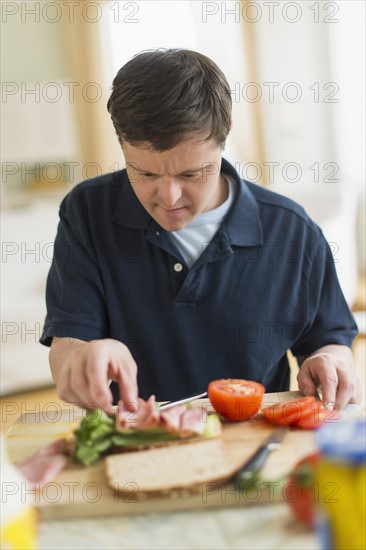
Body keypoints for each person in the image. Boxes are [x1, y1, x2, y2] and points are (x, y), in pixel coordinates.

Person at [40, 49, 361, 412]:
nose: (168, 196)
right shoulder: (86, 212)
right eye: (144, 173)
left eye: (190, 173)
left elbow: (329, 340)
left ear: (224, 140)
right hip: (131, 446)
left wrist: (331, 361)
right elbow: (66, 348)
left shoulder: (292, 232)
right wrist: (83, 358)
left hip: (253, 448)